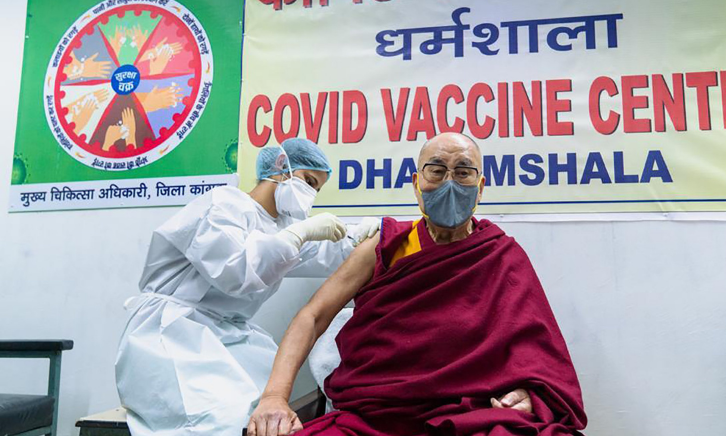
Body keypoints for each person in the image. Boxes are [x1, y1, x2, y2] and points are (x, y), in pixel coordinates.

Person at [247, 133, 587, 436]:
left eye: (463, 172)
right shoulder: (385, 246)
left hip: (473, 415)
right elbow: (313, 316)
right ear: (416, 183)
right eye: (436, 170)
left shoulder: (500, 254)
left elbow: (537, 352)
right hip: (376, 418)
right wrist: (275, 397)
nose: (449, 182)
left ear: (480, 187)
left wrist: (531, 394)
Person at [115, 138, 380, 436]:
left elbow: (324, 252)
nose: (310, 194)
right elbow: (235, 271)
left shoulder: (282, 227)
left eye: (316, 188)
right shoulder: (224, 204)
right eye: (307, 181)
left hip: (226, 335)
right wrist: (300, 233)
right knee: (219, 418)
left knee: (272, 403)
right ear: (281, 167)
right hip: (171, 335)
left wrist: (366, 235)